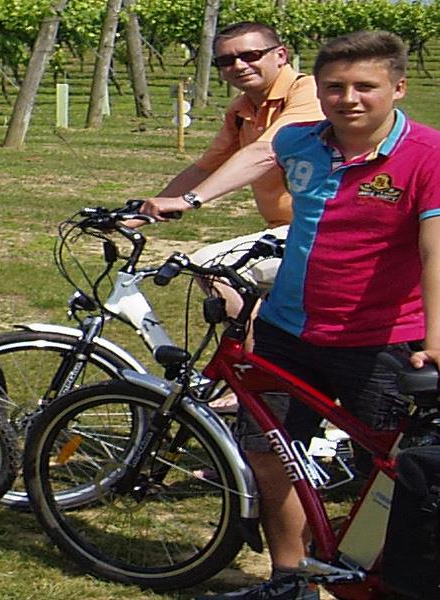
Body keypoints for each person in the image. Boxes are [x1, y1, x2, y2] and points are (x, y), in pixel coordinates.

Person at [144, 31, 440, 600]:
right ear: (319, 88)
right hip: (287, 331)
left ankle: (380, 579)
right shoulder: (302, 138)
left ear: (398, 88)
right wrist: (191, 200)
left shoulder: (426, 155)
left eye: (365, 86)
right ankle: (291, 579)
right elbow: (257, 153)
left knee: (389, 474)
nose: (348, 98)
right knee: (268, 451)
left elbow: (436, 250)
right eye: (334, 86)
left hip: (380, 341)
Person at [147, 22, 322, 323]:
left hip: (322, 232)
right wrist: (140, 214)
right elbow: (205, 167)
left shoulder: (310, 92)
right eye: (226, 60)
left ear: (281, 55)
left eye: (251, 55)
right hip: (285, 231)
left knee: (211, 264)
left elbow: (265, 152)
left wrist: (189, 200)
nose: (239, 65)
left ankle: (257, 359)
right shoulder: (241, 110)